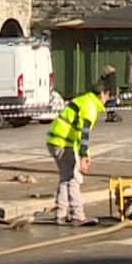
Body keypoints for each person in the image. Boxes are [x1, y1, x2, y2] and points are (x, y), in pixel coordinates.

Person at [45, 81, 111, 225]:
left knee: (66, 178)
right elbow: (84, 132)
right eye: (107, 96)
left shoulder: (84, 100)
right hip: (63, 142)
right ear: (101, 95)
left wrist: (84, 153)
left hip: (56, 140)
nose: (107, 99)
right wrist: (83, 156)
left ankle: (60, 214)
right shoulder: (90, 106)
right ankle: (78, 215)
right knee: (73, 179)